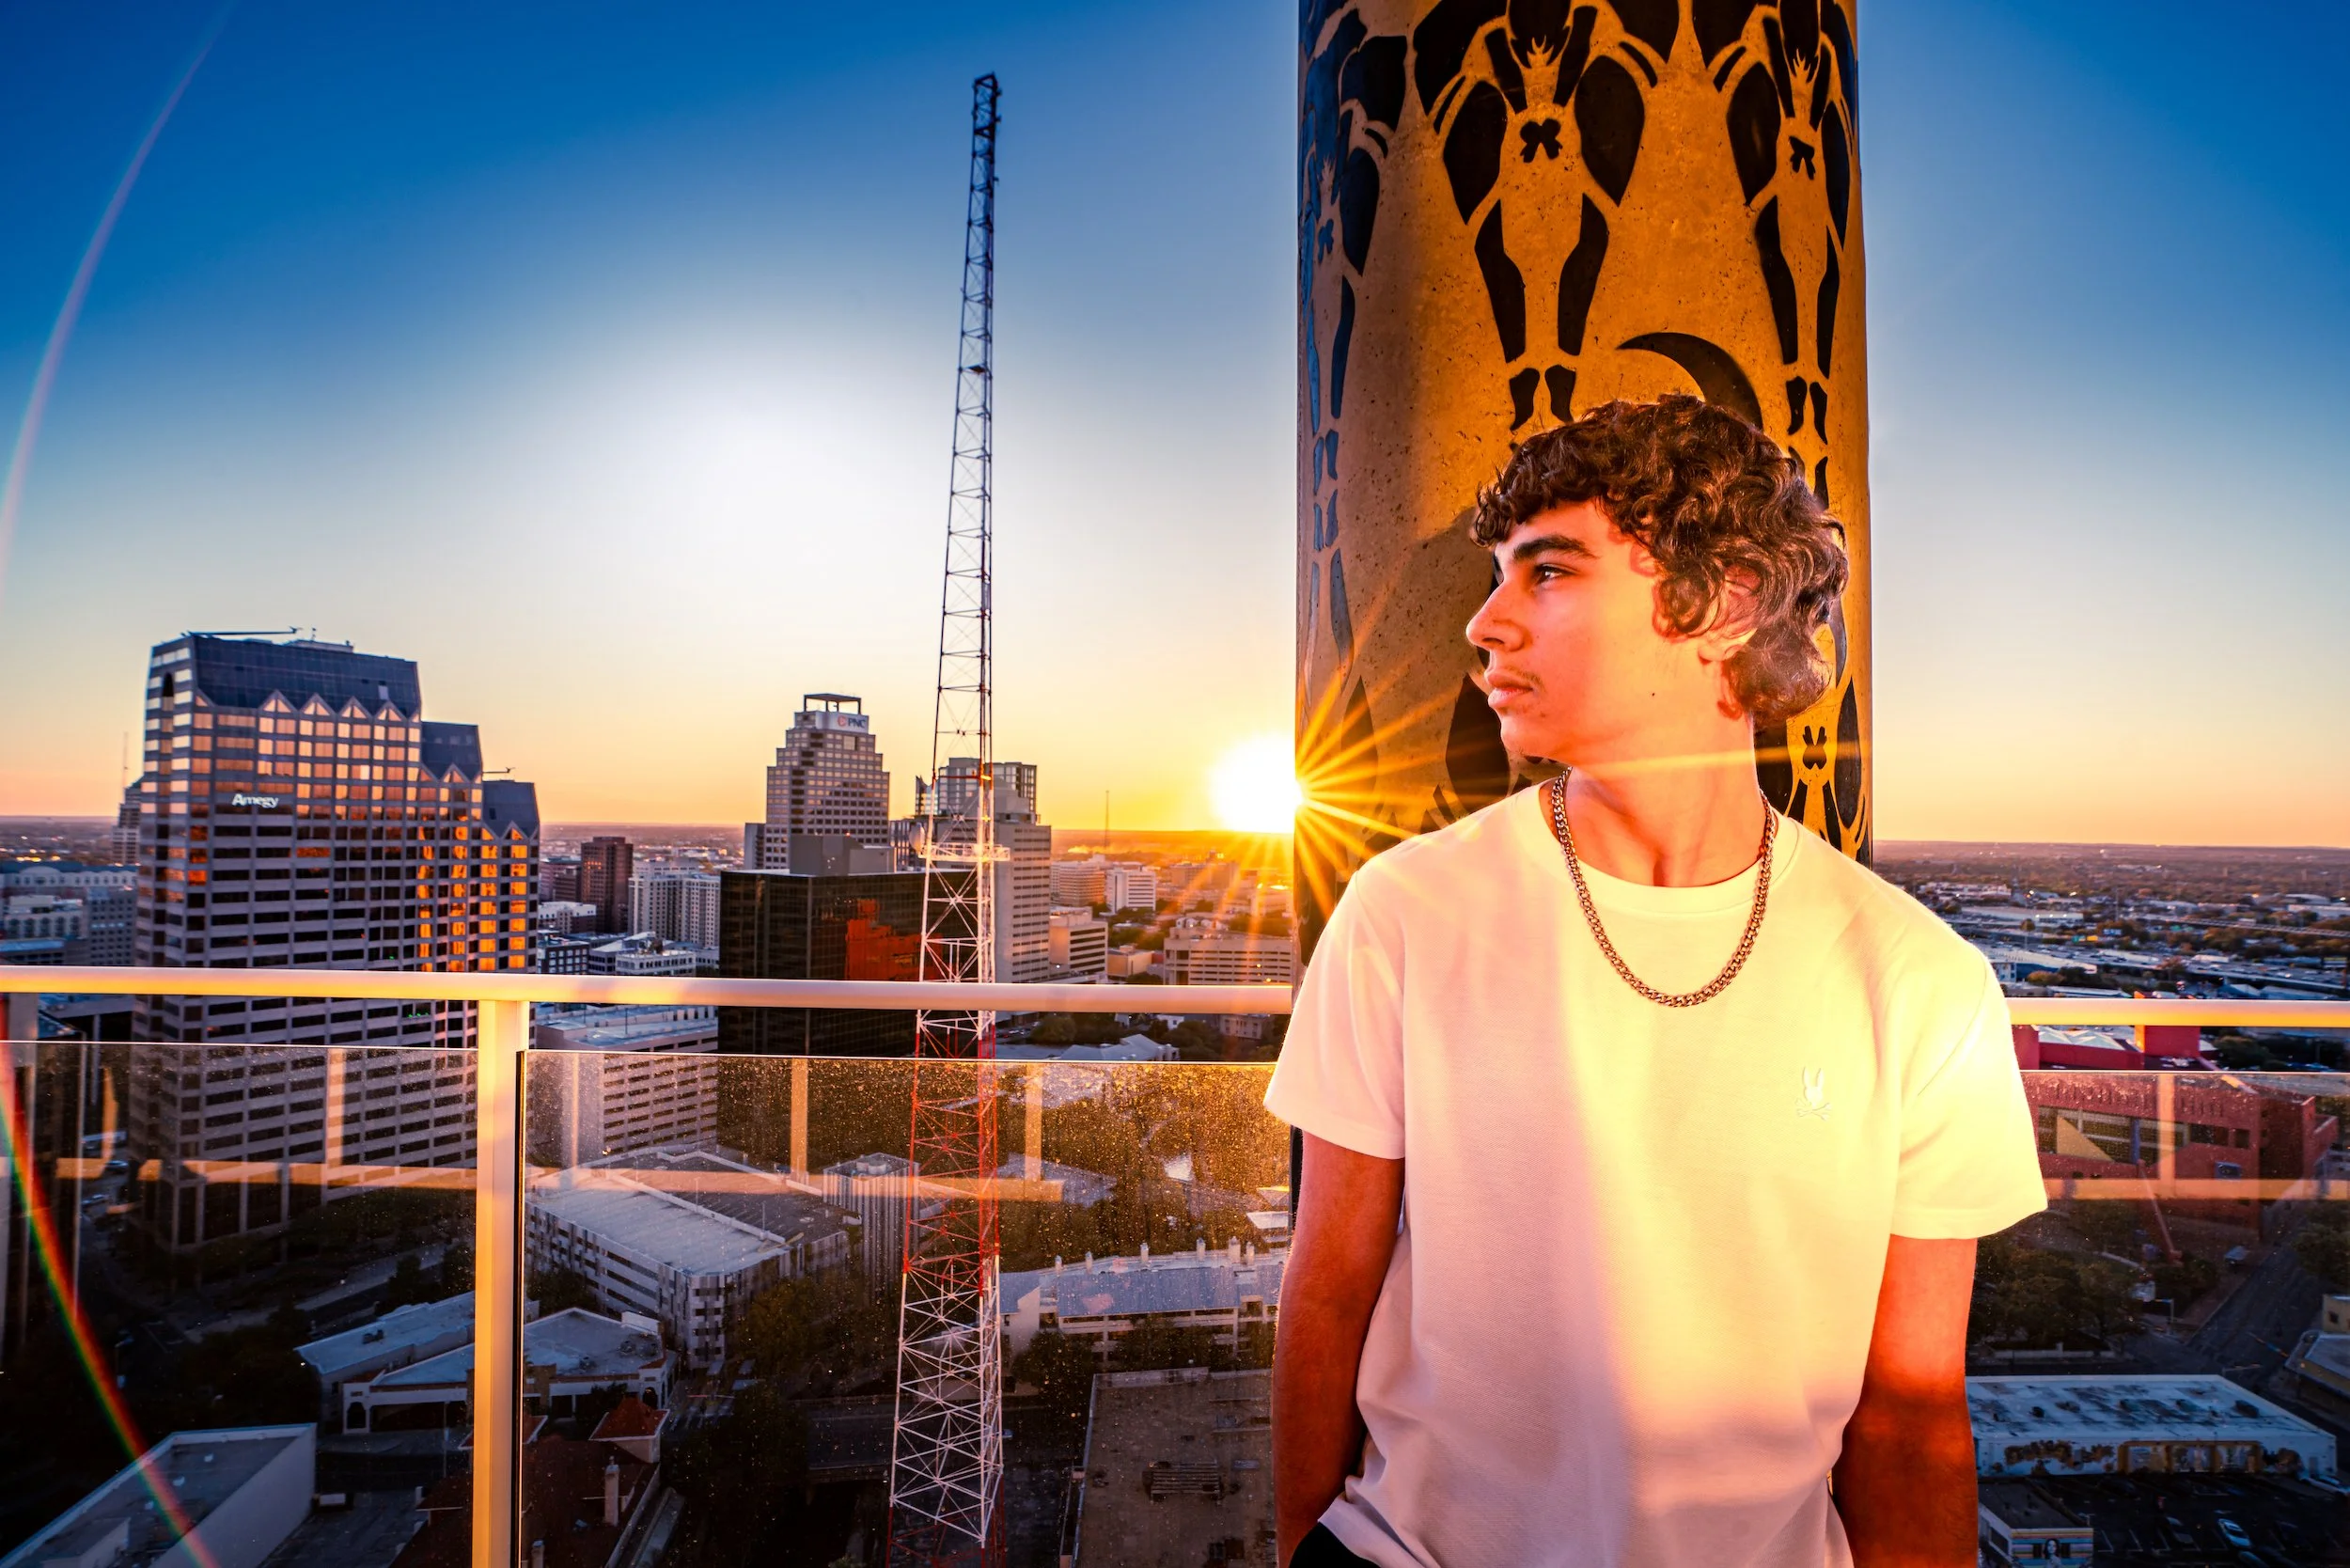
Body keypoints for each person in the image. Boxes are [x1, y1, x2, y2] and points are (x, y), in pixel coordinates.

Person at [1266, 396, 2045, 1568]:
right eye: (1496, 576)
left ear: (1723, 602)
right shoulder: (1405, 914)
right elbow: (1327, 1289)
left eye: (1547, 572)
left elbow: (1911, 1415)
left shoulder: (1920, 981)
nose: (1482, 624)